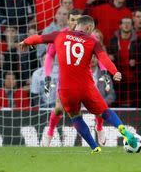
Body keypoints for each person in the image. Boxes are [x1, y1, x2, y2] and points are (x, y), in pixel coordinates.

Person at [19, 15, 139, 154]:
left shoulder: (59, 35)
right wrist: (114, 71)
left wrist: (26, 41)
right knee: (105, 112)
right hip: (86, 86)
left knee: (75, 117)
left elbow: (38, 38)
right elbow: (103, 58)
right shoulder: (92, 41)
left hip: (66, 88)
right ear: (88, 28)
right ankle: (123, 130)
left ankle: (95, 147)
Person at [40, 9, 109, 147]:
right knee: (59, 108)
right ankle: (50, 132)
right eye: (72, 20)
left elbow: (101, 56)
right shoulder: (60, 35)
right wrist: (47, 76)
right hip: (66, 80)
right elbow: (49, 55)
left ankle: (99, 128)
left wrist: (105, 72)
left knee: (98, 108)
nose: (74, 23)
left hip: (86, 78)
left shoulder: (90, 36)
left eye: (77, 20)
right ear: (68, 21)